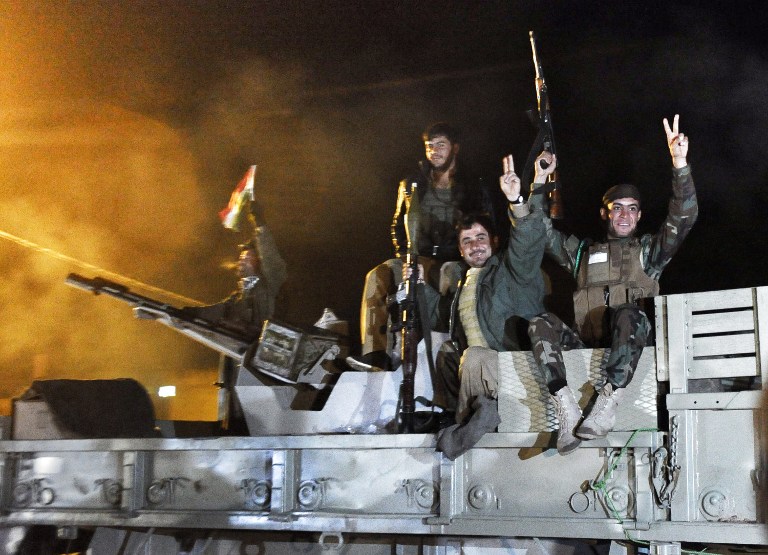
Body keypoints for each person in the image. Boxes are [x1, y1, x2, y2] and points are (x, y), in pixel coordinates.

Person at [528, 114, 698, 455]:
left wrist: (680, 165)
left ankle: (608, 402)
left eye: (632, 209)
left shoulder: (648, 252)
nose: (624, 215)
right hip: (585, 344)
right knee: (539, 323)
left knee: (630, 314)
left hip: (631, 347)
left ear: (639, 216)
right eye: (617, 208)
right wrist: (539, 180)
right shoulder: (582, 253)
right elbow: (540, 232)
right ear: (605, 214)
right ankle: (566, 407)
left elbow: (683, 218)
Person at [420, 152, 552, 460]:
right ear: (461, 250)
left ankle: (467, 428)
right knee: (450, 352)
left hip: (517, 370)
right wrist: (415, 284)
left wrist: (517, 200)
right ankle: (477, 415)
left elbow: (528, 242)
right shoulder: (464, 285)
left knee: (475, 356)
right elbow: (439, 314)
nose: (475, 245)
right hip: (483, 379)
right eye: (467, 241)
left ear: (493, 241)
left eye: (481, 237)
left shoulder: (512, 271)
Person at [347, 122, 491, 372]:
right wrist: (405, 258)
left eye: (441, 145)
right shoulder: (411, 183)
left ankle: (460, 354)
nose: (435, 151)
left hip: (455, 260)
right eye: (430, 146)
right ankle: (375, 354)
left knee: (452, 278)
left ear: (455, 148)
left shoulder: (473, 185)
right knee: (378, 275)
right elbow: (397, 225)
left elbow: (486, 226)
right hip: (418, 256)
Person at [183, 200, 287, 339]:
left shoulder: (270, 285)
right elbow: (218, 311)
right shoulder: (239, 297)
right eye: (241, 258)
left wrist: (260, 224)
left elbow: (270, 257)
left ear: (258, 262)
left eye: (247, 258)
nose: (242, 261)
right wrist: (191, 313)